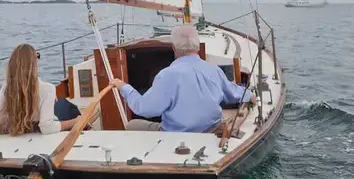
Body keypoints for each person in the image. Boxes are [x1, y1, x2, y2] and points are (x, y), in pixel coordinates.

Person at [110, 25, 257, 132]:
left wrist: (123, 86)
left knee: (131, 125)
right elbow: (233, 93)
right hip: (211, 130)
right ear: (198, 47)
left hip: (176, 135)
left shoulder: (167, 75)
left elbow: (145, 109)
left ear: (174, 48)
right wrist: (250, 95)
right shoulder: (214, 70)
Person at [0, 44, 81, 135]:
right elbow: (47, 128)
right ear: (33, 63)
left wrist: (18, 120)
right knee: (64, 105)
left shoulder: (7, 86)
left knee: (61, 103)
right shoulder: (48, 89)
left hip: (18, 133)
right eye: (37, 56)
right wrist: (75, 121)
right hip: (43, 136)